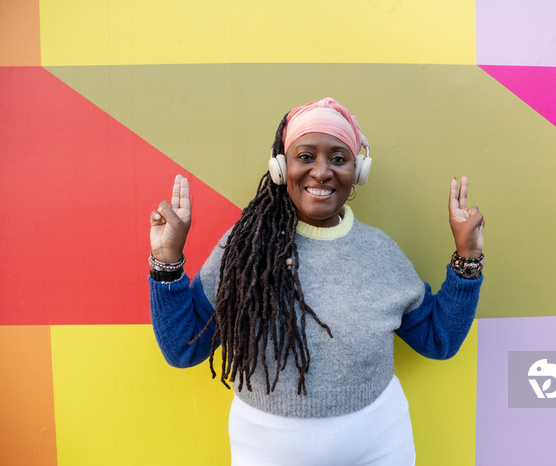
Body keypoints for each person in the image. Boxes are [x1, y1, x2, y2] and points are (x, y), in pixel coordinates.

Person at [148, 97, 485, 465]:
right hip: (265, 448)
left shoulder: (380, 252)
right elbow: (183, 349)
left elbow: (440, 339)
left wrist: (467, 258)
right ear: (281, 167)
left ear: (357, 171)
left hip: (379, 443)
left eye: (338, 159)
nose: (322, 172)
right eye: (305, 156)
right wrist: (167, 260)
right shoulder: (243, 251)